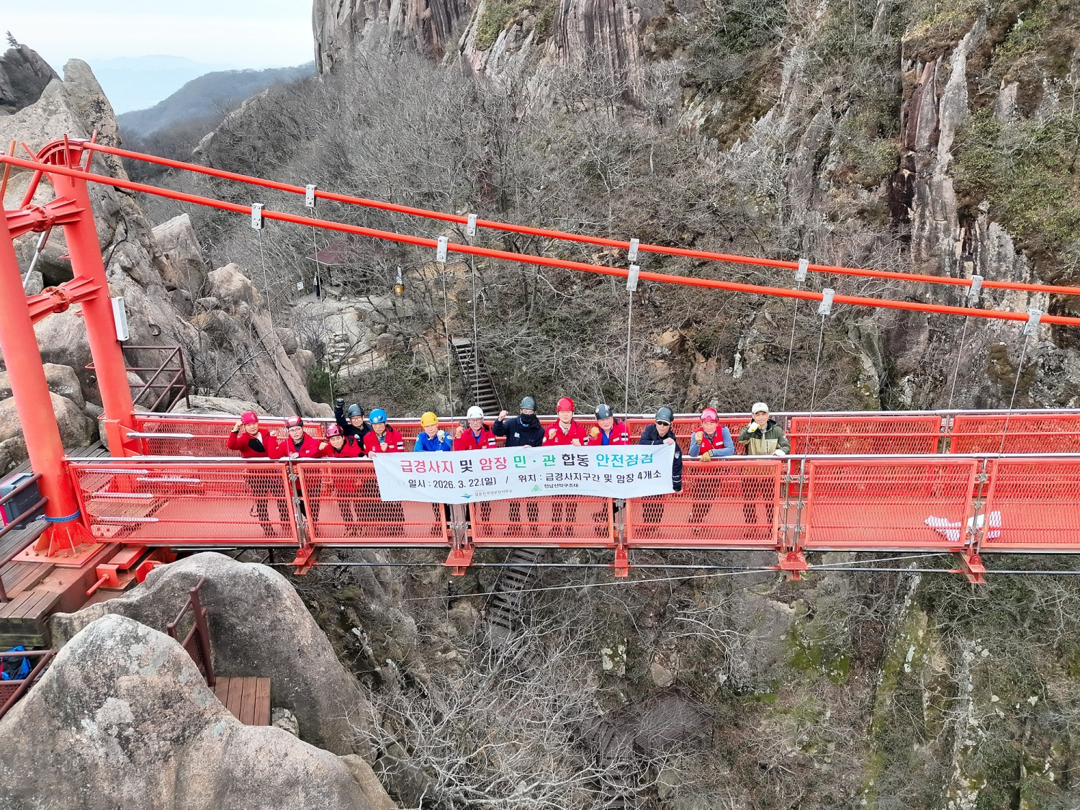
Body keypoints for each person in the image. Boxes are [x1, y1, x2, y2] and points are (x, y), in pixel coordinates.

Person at [227, 411, 288, 537]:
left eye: (254, 424)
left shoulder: (266, 433)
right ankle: (267, 528)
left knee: (282, 498)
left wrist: (273, 438)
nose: (252, 427)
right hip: (256, 475)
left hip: (272, 472)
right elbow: (231, 445)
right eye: (249, 425)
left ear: (257, 423)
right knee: (261, 503)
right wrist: (235, 429)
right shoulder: (244, 439)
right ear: (244, 426)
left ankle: (286, 522)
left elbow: (274, 449)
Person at [493, 396, 544, 534]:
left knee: (532, 499)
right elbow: (497, 432)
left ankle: (534, 527)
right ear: (520, 410)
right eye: (524, 411)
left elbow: (541, 451)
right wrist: (499, 420)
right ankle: (514, 525)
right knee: (513, 498)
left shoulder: (539, 429)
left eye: (530, 412)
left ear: (534, 413)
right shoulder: (512, 423)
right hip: (513, 467)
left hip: (530, 469)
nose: (527, 414)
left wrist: (532, 450)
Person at [737, 402, 789, 534]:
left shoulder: (776, 429)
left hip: (770, 471)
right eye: (757, 414)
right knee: (749, 501)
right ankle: (751, 527)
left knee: (770, 501)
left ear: (768, 415)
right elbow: (741, 440)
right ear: (753, 416)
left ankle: (772, 526)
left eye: (763, 414)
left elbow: (785, 445)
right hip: (750, 471)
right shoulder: (749, 428)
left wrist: (780, 452)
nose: (760, 417)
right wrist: (751, 430)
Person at [543, 397, 587, 534]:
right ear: (558, 413)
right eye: (562, 412)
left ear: (572, 413)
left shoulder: (580, 431)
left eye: (568, 412)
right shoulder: (550, 430)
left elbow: (587, 451)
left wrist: (580, 446)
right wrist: (549, 439)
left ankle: (569, 526)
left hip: (573, 471)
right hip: (556, 472)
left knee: (571, 501)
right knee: (556, 500)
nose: (565, 415)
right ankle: (556, 526)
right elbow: (543, 452)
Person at [637, 406, 684, 533]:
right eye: (659, 423)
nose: (662, 426)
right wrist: (661, 443)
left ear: (670, 425)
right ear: (655, 422)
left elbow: (676, 463)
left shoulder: (672, 440)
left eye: (665, 424)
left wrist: (677, 485)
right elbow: (642, 445)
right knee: (647, 501)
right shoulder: (649, 430)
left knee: (658, 502)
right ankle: (646, 527)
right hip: (647, 473)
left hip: (660, 475)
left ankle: (654, 528)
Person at [687, 407, 736, 526]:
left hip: (715, 471)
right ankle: (696, 521)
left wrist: (712, 453)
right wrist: (697, 443)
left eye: (712, 423)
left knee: (709, 499)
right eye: (705, 423)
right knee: (698, 498)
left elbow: (731, 450)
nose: (709, 427)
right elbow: (692, 454)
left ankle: (697, 517)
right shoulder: (696, 433)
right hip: (698, 471)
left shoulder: (723, 431)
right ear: (702, 423)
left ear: (716, 423)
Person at [361, 408, 406, 535]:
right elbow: (365, 452)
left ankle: (399, 527)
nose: (378, 427)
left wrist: (388, 450)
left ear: (385, 423)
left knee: (395, 501)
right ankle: (384, 526)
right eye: (374, 425)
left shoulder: (396, 435)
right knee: (381, 500)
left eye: (380, 424)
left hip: (392, 473)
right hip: (376, 475)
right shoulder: (368, 437)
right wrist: (368, 454)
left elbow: (401, 454)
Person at [276, 415, 328, 525]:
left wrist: (300, 455)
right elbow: (273, 455)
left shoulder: (313, 441)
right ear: (288, 431)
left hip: (312, 480)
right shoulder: (285, 444)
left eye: (298, 429)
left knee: (313, 504)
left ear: (302, 428)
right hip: (296, 481)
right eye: (292, 430)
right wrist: (271, 439)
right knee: (300, 502)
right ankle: (308, 523)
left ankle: (313, 524)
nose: (295, 433)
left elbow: (319, 452)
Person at [321, 423, 364, 536]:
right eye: (333, 439)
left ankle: (360, 525)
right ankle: (349, 526)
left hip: (354, 482)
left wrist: (361, 479)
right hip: (339, 483)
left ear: (343, 437)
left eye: (338, 438)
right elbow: (315, 453)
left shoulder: (352, 446)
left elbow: (362, 461)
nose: (336, 442)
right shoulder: (330, 447)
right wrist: (319, 446)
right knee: (343, 506)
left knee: (359, 506)